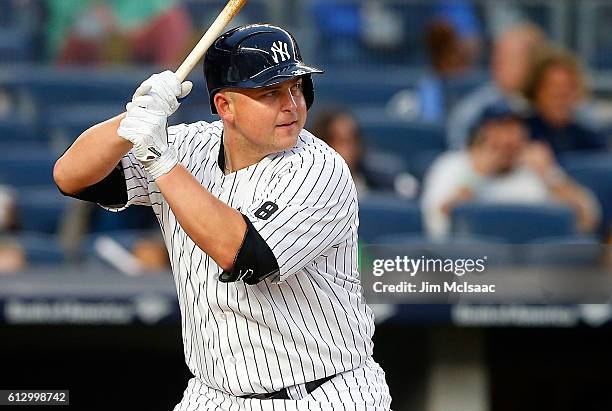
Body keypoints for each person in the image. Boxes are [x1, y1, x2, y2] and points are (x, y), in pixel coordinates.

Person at [54, 24, 392, 410]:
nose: (291, 105)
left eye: (295, 88)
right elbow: (71, 176)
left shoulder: (319, 168)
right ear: (225, 106)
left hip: (320, 392)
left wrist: (161, 162)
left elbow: (245, 254)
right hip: (214, 394)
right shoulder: (190, 145)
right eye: (270, 93)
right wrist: (132, 119)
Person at [422, 104, 600, 239]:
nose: (508, 138)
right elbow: (436, 226)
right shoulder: (452, 165)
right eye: (499, 128)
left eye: (514, 128)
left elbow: (587, 219)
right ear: (481, 134)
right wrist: (476, 176)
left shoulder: (538, 169)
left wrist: (550, 175)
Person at [446, 22, 546, 149]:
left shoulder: (558, 108)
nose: (497, 64)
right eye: (497, 56)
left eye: (509, 58)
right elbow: (461, 161)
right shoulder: (473, 112)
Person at [522, 48, 607, 156]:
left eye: (568, 88)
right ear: (536, 90)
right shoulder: (519, 133)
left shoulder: (591, 139)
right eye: (553, 87)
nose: (561, 95)